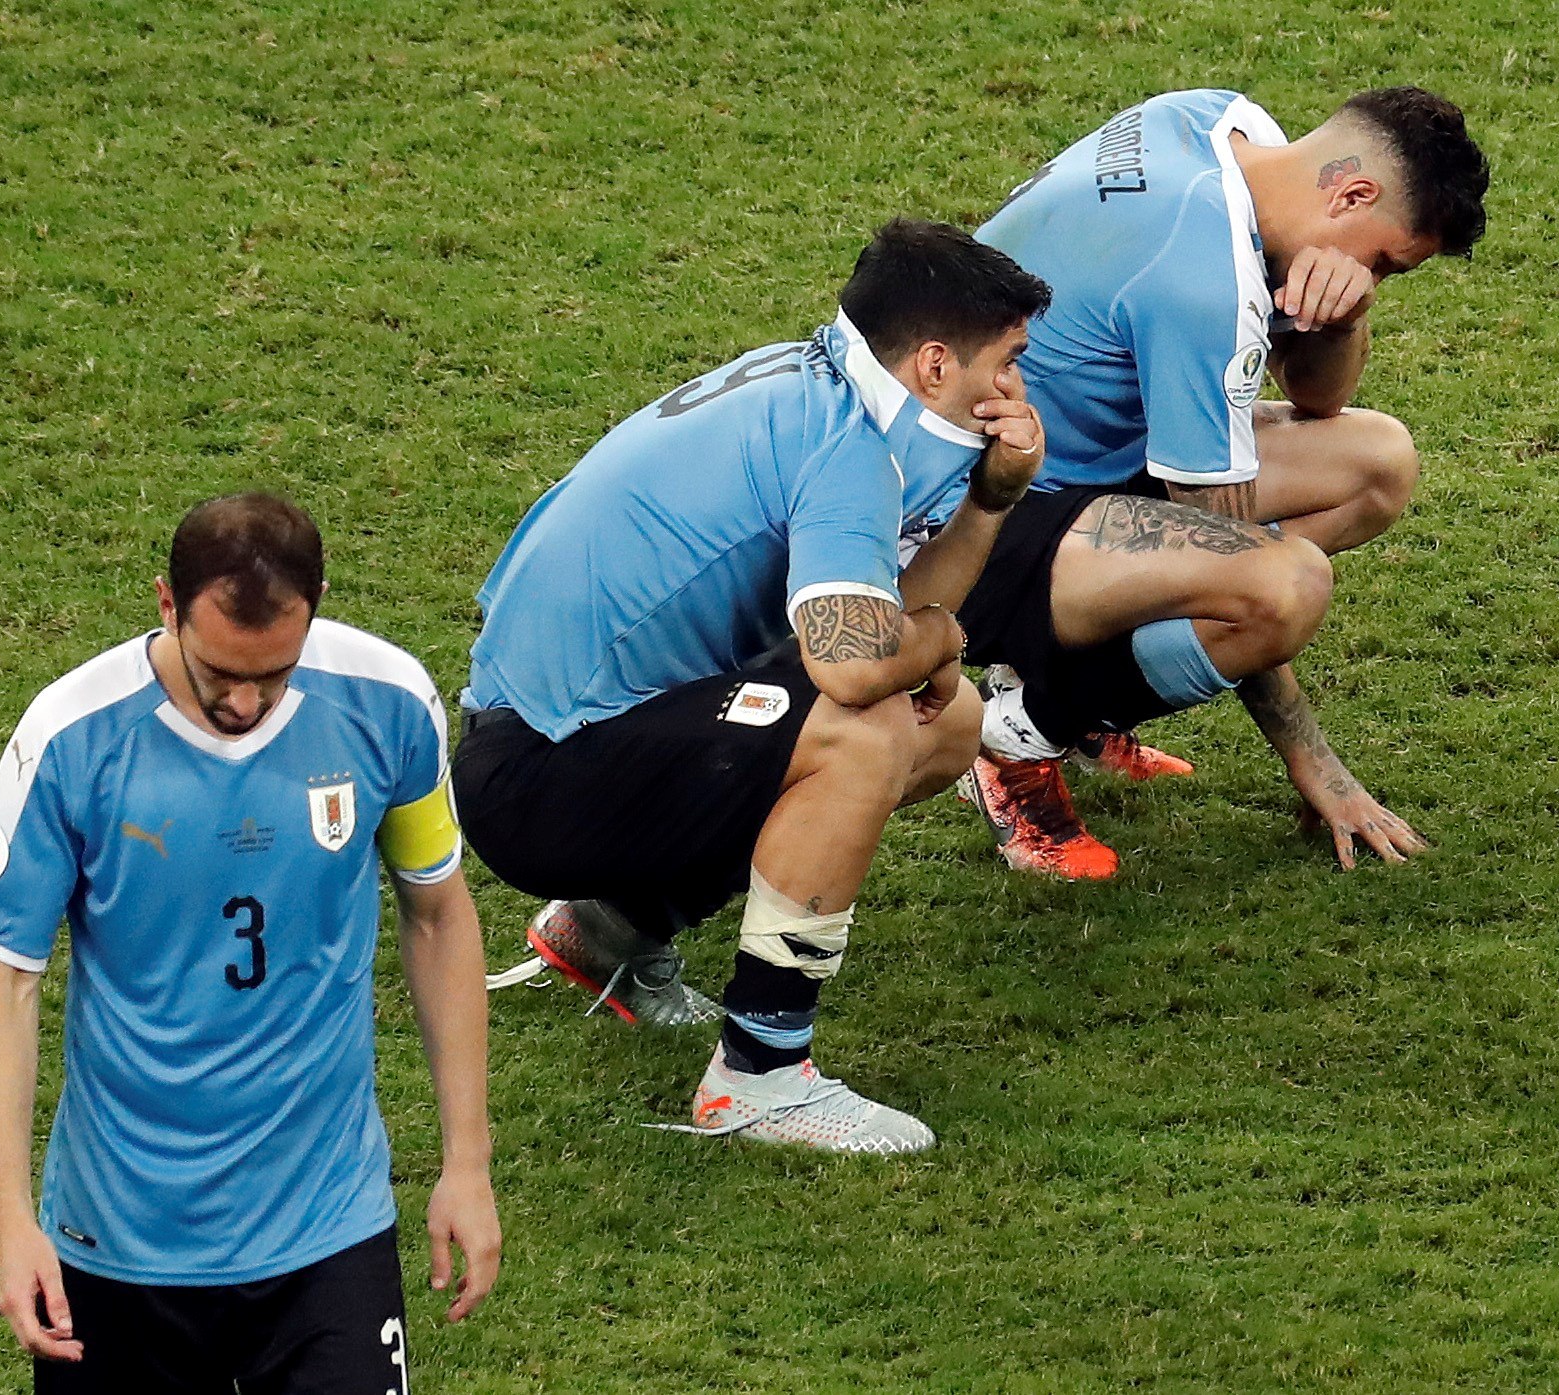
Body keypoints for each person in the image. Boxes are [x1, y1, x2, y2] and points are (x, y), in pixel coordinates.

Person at [453, 220, 1051, 1154]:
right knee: (867, 730)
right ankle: (760, 1076)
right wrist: (942, 636)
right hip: (537, 776)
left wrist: (988, 501)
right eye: (1007, 361)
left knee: (952, 723)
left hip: (544, 734)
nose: (1014, 387)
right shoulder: (849, 446)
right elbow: (855, 664)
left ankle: (610, 930)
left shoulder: (807, 379)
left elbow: (870, 616)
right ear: (935, 364)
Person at [0, 493, 499, 1392]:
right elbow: (3, 976)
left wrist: (465, 1161)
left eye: (273, 674)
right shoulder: (72, 736)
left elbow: (437, 912)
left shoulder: (390, 703)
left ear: (318, 599)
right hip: (119, 1239)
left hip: (328, 1224)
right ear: (167, 605)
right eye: (217, 673)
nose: (244, 702)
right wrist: (12, 1223)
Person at [944, 86, 1490, 878]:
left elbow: (1319, 400)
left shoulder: (1216, 121)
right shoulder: (1204, 278)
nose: (1371, 276)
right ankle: (1014, 735)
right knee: (1281, 587)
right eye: (1380, 261)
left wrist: (1340, 317)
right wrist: (1315, 762)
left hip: (1038, 456)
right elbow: (1230, 559)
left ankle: (1076, 662)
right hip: (962, 519)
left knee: (1377, 463)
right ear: (1353, 193)